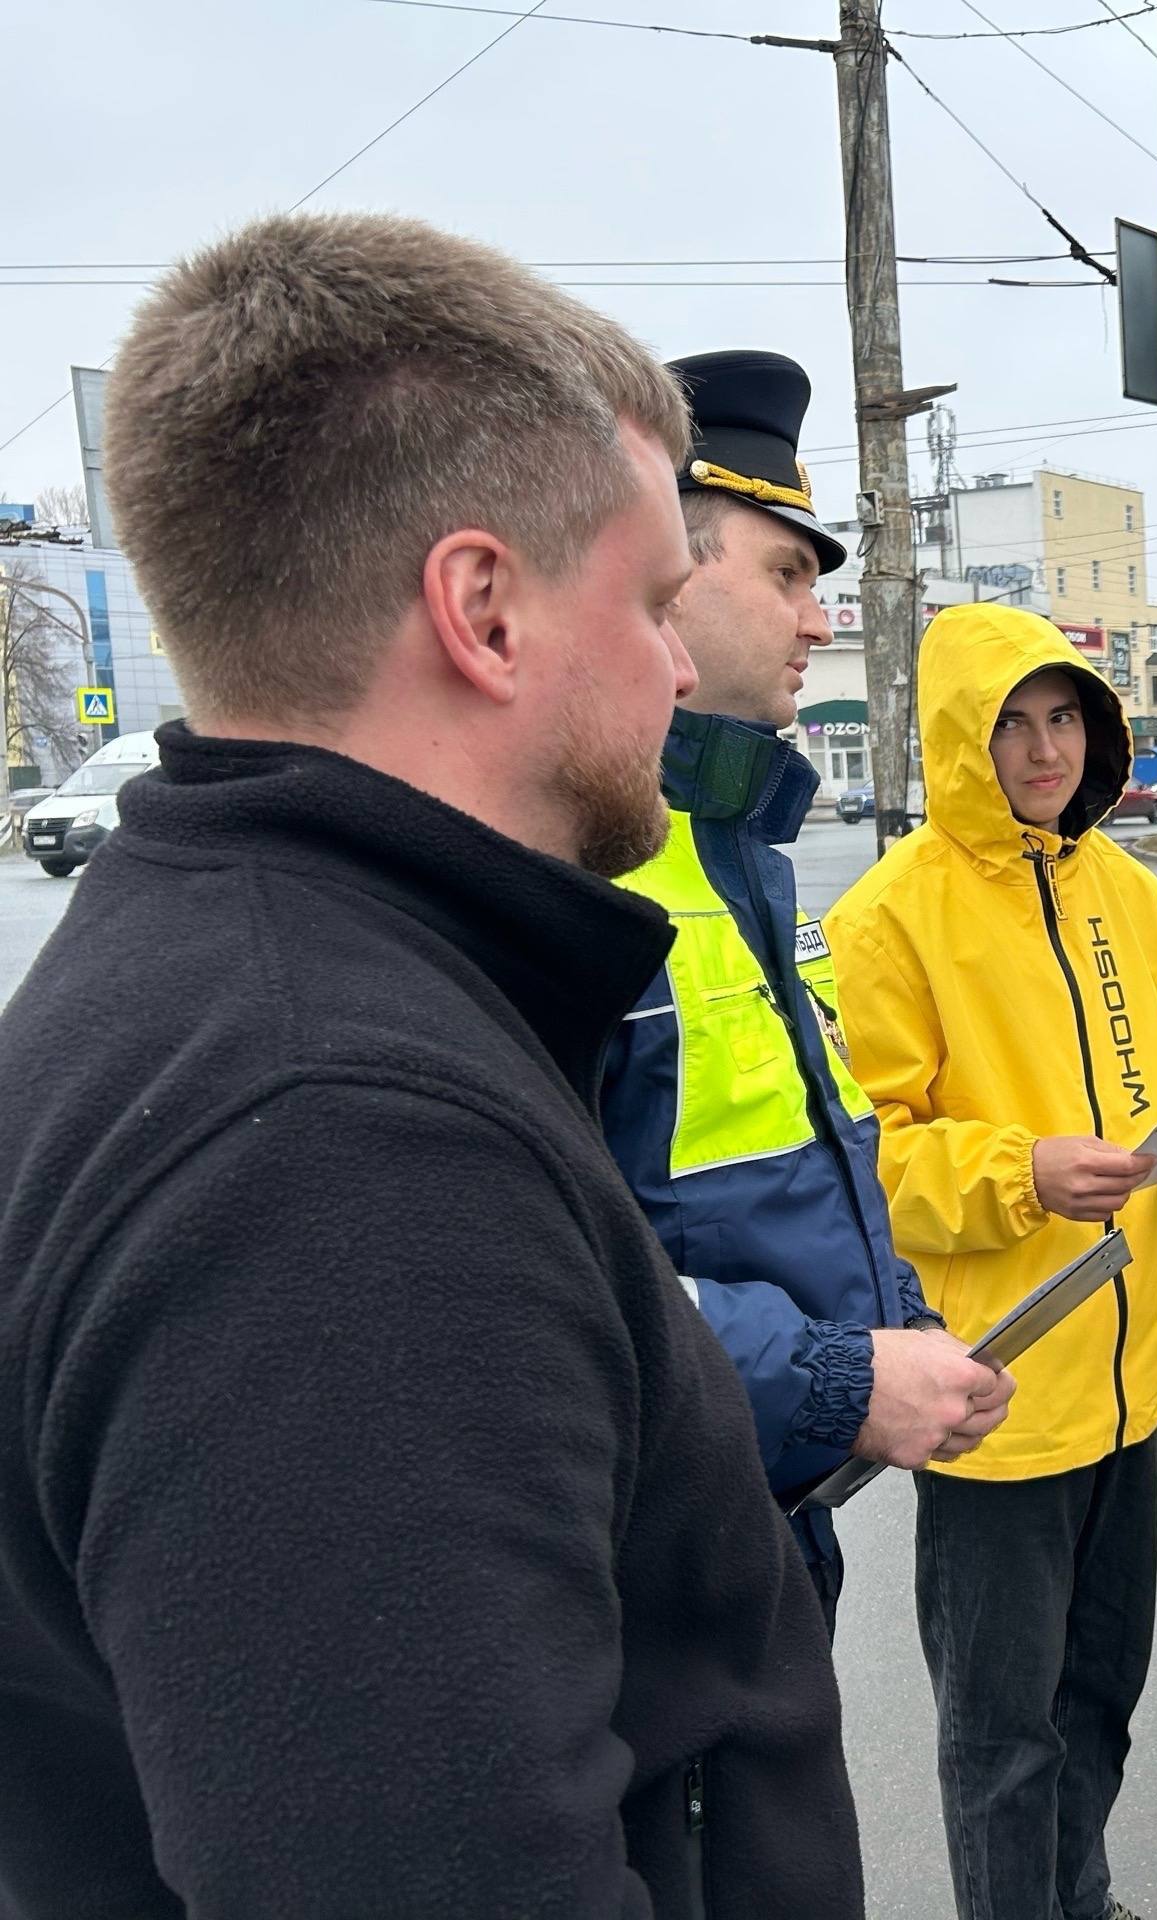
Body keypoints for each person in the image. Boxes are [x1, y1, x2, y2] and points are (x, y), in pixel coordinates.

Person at [0, 214, 863, 1913]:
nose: (682, 665)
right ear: (482, 608)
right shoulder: (336, 1157)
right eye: (652, 600)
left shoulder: (242, 977)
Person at [822, 603, 1157, 1920]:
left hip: (1128, 1386)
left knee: (1103, 1698)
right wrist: (1022, 1171)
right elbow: (875, 1160)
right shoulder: (889, 918)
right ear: (959, 736)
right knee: (1005, 1737)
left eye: (1064, 717)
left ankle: (1080, 1896)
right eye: (1012, 721)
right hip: (996, 1390)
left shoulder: (1123, 887)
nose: (1045, 748)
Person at [599, 348, 1011, 1626]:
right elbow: (540, 1280)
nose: (820, 620)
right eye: (787, 573)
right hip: (642, 1547)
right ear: (664, 566)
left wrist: (901, 1333)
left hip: (764, 1509)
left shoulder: (743, 854)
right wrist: (835, 1378)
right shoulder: (580, 863)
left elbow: (802, 1165)